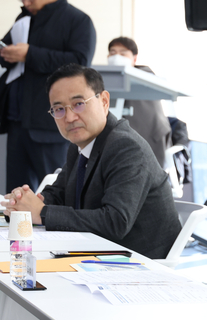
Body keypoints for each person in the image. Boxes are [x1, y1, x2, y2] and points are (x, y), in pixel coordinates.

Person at [1, 64, 181, 259]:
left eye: (79, 104)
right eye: (59, 109)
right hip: (96, 254)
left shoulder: (126, 146)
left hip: (138, 263)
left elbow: (115, 221)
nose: (69, 117)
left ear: (104, 101)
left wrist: (42, 213)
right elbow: (59, 193)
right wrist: (26, 202)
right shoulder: (80, 144)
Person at [0, 0, 96, 192]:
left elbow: (80, 62)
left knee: (56, 190)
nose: (25, 2)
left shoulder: (77, 20)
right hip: (16, 122)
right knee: (17, 193)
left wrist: (30, 54)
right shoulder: (24, 18)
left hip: (50, 125)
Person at [107, 37, 173, 168]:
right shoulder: (107, 81)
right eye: (112, 53)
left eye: (122, 53)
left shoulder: (146, 79)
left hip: (150, 141)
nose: (116, 57)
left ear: (134, 58)